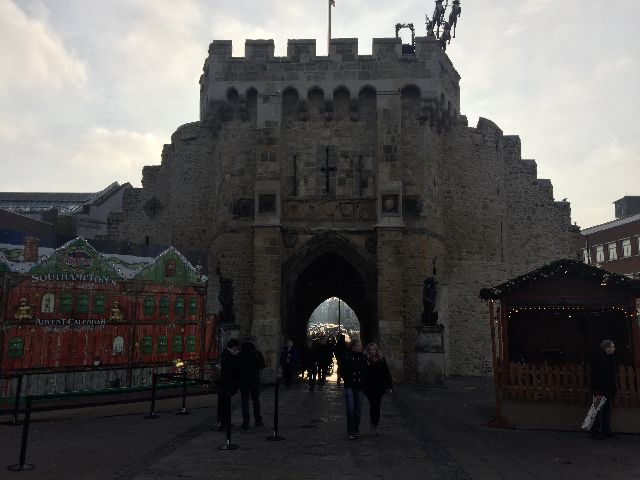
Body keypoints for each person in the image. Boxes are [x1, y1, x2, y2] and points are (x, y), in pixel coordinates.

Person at [363, 342, 393, 435]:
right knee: (373, 406)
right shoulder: (365, 360)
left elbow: (386, 373)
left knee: (377, 407)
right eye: (370, 350)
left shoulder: (381, 359)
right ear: (368, 350)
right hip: (369, 387)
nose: (372, 351)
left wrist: (389, 385)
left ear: (376, 350)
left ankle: (375, 425)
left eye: (374, 349)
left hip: (379, 387)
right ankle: (373, 426)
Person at [590, 339, 617, 439]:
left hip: (607, 388)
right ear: (607, 348)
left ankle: (606, 430)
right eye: (612, 347)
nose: (614, 349)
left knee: (606, 411)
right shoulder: (599, 359)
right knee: (598, 411)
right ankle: (595, 432)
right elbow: (595, 375)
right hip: (600, 388)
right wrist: (596, 388)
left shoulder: (609, 358)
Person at [341, 338, 367, 439]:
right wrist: (347, 379)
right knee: (350, 408)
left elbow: (366, 370)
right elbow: (342, 370)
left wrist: (363, 380)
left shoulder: (363, 357)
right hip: (350, 386)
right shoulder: (347, 357)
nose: (360, 347)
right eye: (358, 345)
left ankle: (356, 428)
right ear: (353, 347)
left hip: (359, 386)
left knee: (358, 409)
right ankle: (350, 431)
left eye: (360, 345)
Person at [237, 340, 266, 428]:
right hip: (254, 380)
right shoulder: (257, 354)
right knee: (256, 400)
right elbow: (262, 365)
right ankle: (258, 420)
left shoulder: (240, 355)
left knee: (244, 402)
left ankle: (246, 422)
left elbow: (236, 367)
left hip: (243, 381)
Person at [215, 338, 240, 431]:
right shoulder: (227, 355)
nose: (237, 349)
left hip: (226, 383)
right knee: (223, 404)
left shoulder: (226, 354)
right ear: (234, 346)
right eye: (237, 347)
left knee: (226, 404)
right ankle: (222, 422)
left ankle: (225, 421)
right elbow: (229, 369)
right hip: (225, 383)